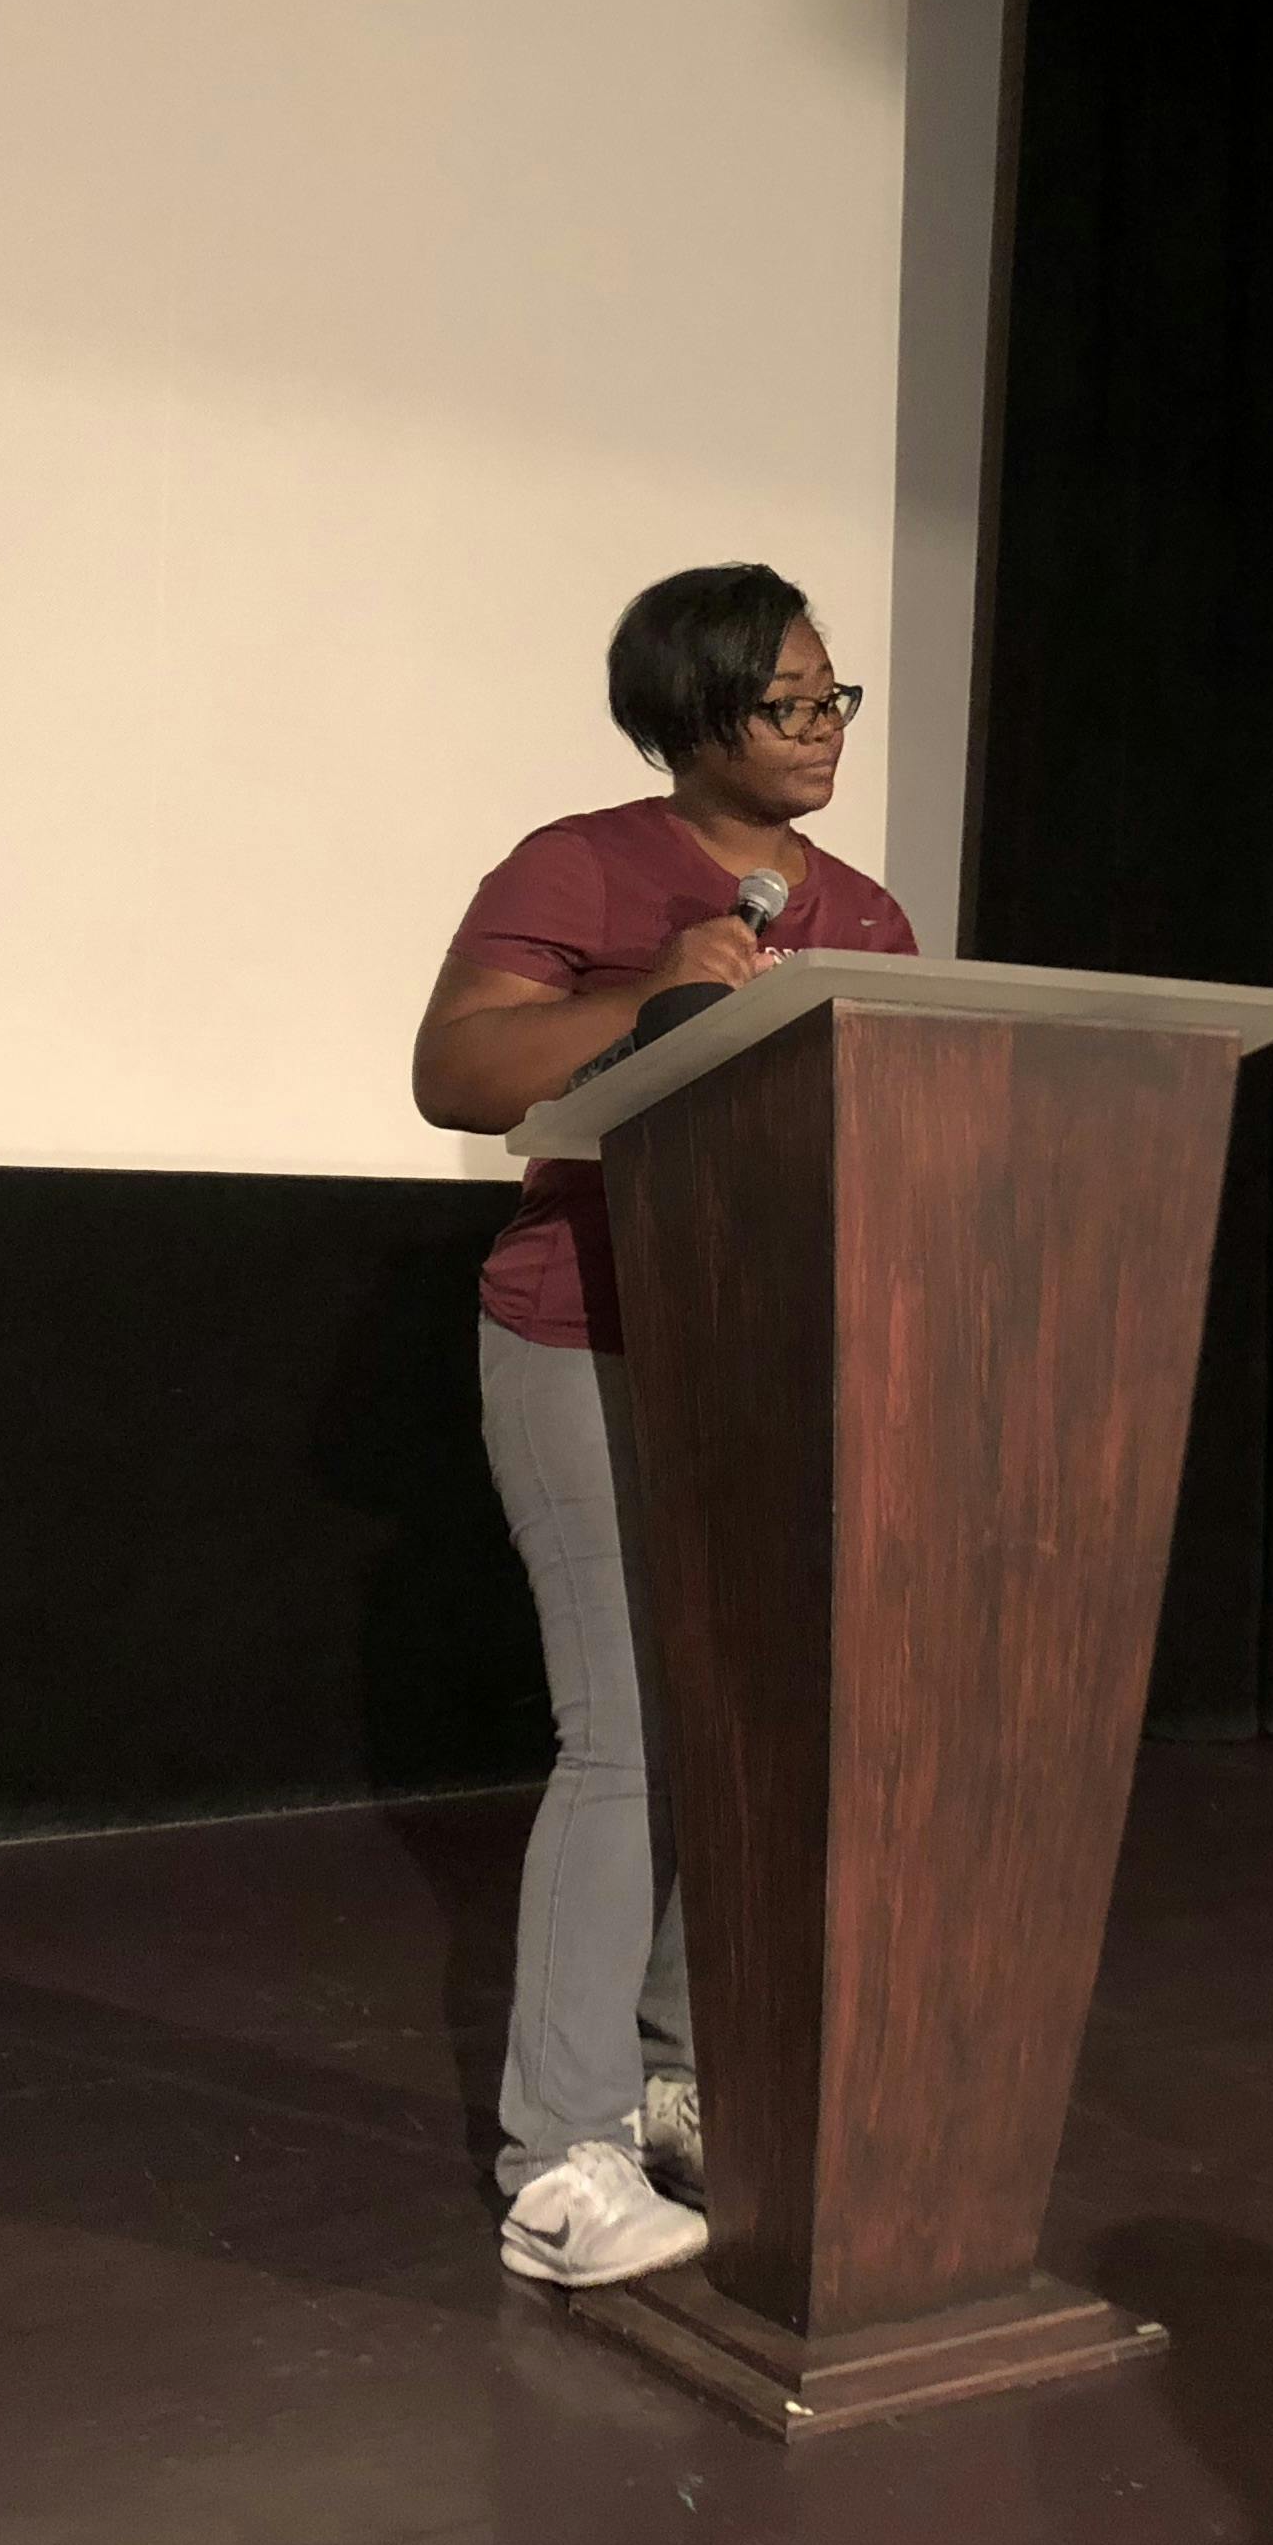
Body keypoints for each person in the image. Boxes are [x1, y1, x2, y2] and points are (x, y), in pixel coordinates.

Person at [412, 561, 916, 2287]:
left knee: (751, 1725)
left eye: (836, 699)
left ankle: (676, 2072)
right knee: (625, 1734)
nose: (823, 731)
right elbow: (457, 1073)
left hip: (780, 1356)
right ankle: (559, 2161)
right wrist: (664, 992)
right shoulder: (586, 867)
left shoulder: (869, 912)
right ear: (694, 714)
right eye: (790, 703)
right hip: (591, 1336)